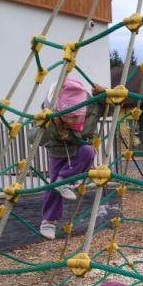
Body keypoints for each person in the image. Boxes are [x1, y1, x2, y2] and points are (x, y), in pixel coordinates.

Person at [38, 77, 105, 240]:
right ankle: (48, 221)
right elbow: (36, 138)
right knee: (54, 185)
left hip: (79, 147)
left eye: (77, 117)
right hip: (58, 151)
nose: (74, 121)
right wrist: (48, 125)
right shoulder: (51, 113)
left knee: (89, 152)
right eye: (69, 118)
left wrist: (103, 97)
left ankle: (65, 180)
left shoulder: (89, 106)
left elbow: (106, 109)